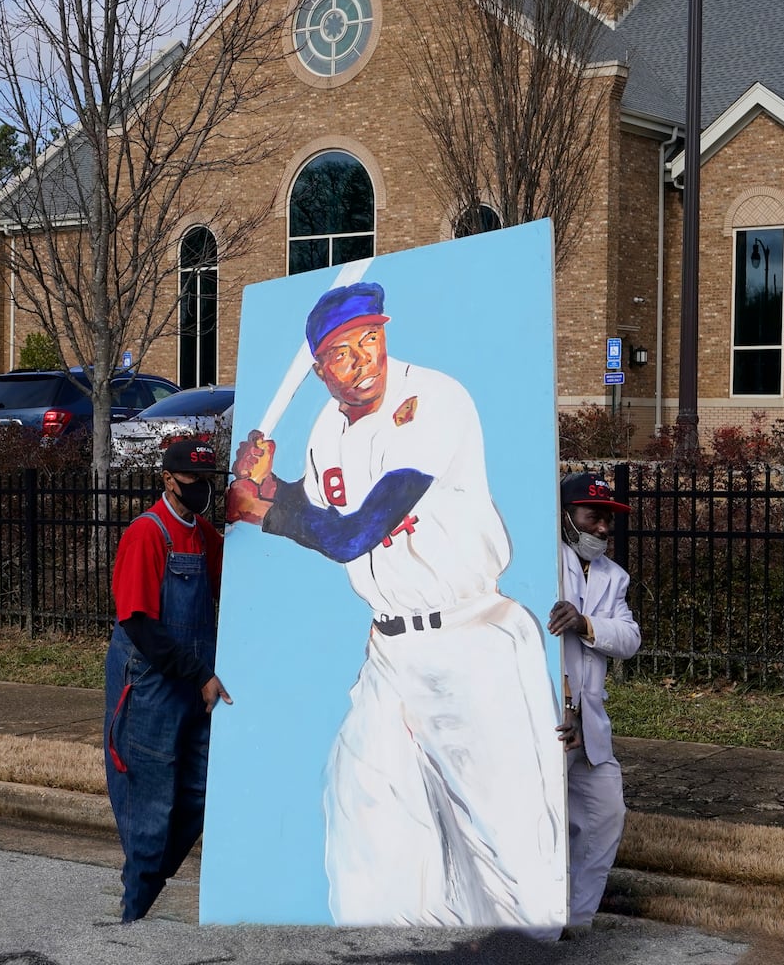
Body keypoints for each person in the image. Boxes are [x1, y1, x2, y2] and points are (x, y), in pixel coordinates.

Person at [226, 281, 566, 928]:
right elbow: (326, 511)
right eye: (344, 355)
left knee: (514, 850)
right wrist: (270, 485)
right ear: (320, 369)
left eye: (371, 341)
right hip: (389, 651)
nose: (364, 362)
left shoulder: (430, 400)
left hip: (471, 639)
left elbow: (361, 530)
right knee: (367, 819)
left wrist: (263, 511)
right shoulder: (329, 426)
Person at [105, 438, 233, 922]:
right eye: (190, 483)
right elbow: (138, 622)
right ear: (167, 480)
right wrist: (198, 672)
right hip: (153, 686)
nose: (200, 491)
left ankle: (144, 887)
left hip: (195, 684)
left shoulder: (202, 534)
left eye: (206, 483)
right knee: (151, 812)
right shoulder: (148, 533)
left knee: (201, 793)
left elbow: (235, 586)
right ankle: (130, 923)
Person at [540, 471, 641, 941]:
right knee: (541, 824)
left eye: (607, 519)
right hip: (545, 721)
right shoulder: (540, 564)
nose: (602, 528)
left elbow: (629, 638)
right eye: (592, 516)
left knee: (604, 817)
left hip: (589, 727)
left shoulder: (613, 576)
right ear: (565, 518)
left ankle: (575, 922)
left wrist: (584, 622)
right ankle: (532, 926)